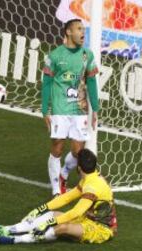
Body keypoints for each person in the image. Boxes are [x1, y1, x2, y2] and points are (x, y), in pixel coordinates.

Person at [0, 149, 117, 245]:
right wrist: (40, 209)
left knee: (63, 227)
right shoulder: (90, 178)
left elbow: (76, 212)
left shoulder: (92, 187)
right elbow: (66, 198)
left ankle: (18, 239)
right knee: (52, 214)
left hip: (101, 229)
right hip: (86, 220)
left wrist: (47, 224)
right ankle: (7, 229)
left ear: (79, 167)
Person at [42, 19, 99, 196]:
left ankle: (64, 173)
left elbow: (91, 81)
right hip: (60, 109)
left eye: (84, 29)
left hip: (80, 109)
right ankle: (56, 190)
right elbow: (46, 83)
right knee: (57, 147)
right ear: (68, 32)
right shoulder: (55, 56)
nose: (83, 33)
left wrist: (95, 109)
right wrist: (45, 110)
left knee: (77, 151)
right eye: (79, 29)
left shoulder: (87, 55)